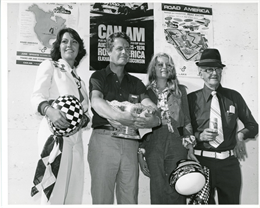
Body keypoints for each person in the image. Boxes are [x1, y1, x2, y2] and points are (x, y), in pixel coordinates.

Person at [88, 32, 160, 204]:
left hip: (130, 143)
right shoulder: (98, 76)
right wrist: (120, 116)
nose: (124, 52)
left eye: (127, 49)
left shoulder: (136, 82)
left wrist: (152, 119)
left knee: (129, 198)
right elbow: (96, 101)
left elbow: (152, 108)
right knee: (101, 198)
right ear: (108, 51)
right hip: (104, 140)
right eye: (119, 48)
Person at [187, 48, 258, 204]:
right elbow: (183, 131)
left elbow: (253, 126)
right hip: (201, 163)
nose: (214, 73)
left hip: (229, 165)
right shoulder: (191, 100)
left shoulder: (234, 97)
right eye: (209, 69)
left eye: (218, 69)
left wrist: (240, 135)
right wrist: (199, 136)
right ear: (201, 73)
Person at [31, 27, 90, 204]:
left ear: (79, 48)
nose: (69, 45)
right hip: (54, 138)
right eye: (64, 41)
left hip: (76, 141)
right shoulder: (50, 66)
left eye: (74, 42)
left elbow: (85, 115)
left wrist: (82, 120)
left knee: (73, 194)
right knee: (53, 193)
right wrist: (50, 111)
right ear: (58, 46)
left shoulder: (81, 81)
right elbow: (36, 97)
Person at [138, 52, 198, 204]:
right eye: (160, 64)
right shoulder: (144, 92)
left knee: (177, 187)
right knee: (157, 188)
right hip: (154, 142)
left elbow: (186, 121)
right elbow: (140, 125)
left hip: (176, 143)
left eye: (167, 64)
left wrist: (190, 146)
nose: (164, 67)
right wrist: (140, 152)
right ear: (154, 68)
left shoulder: (180, 91)